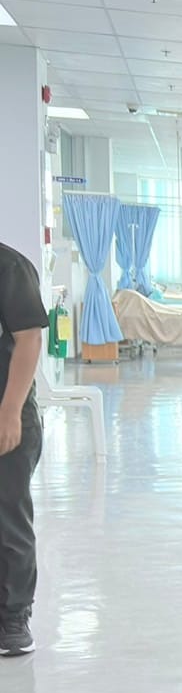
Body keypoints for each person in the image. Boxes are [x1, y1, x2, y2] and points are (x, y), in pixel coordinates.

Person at [0, 241, 48, 657]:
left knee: (7, 517)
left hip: (5, 413)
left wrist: (10, 412)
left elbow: (29, 338)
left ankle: (13, 616)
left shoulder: (9, 267)